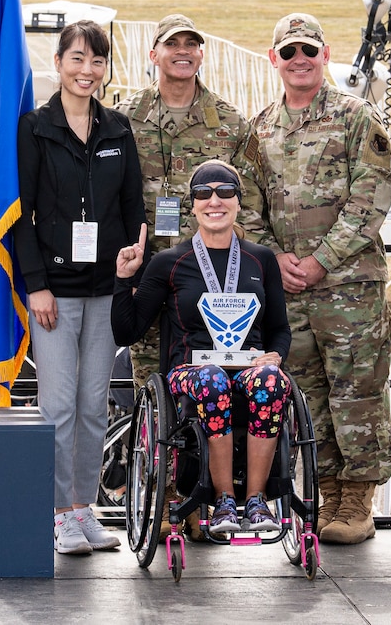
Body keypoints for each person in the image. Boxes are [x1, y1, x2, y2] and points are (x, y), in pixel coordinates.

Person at [252, 13, 391, 545]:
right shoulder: (261, 127)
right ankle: (326, 490)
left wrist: (321, 260)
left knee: (356, 393)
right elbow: (246, 205)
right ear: (275, 59)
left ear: (325, 55)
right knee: (307, 396)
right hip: (289, 291)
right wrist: (274, 258)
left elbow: (371, 197)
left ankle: (357, 498)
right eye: (289, 52)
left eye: (309, 51)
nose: (299, 61)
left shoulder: (356, 117)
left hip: (348, 288)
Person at [15, 20, 147, 556]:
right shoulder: (35, 129)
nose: (86, 71)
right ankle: (58, 512)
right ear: (58, 63)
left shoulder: (118, 130)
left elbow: (132, 203)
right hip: (55, 293)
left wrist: (135, 250)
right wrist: (37, 286)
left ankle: (83, 507)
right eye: (76, 59)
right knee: (59, 406)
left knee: (95, 405)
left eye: (96, 61)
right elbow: (21, 217)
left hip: (105, 290)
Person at [111, 159, 291, 535]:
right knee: (211, 380)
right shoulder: (169, 262)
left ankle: (256, 500)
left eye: (225, 192)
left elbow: (279, 329)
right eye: (203, 193)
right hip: (192, 371)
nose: (215, 201)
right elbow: (126, 331)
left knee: (272, 382)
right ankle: (224, 499)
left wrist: (276, 356)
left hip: (249, 368)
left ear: (238, 202)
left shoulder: (261, 259)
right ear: (191, 205)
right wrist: (123, 279)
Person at [113, 14, 269, 393]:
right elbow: (110, 200)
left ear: (201, 54)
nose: (182, 52)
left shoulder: (230, 123)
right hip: (147, 277)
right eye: (172, 44)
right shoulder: (123, 119)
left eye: (190, 45)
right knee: (151, 387)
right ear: (154, 54)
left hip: (211, 287)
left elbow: (250, 204)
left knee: (214, 390)